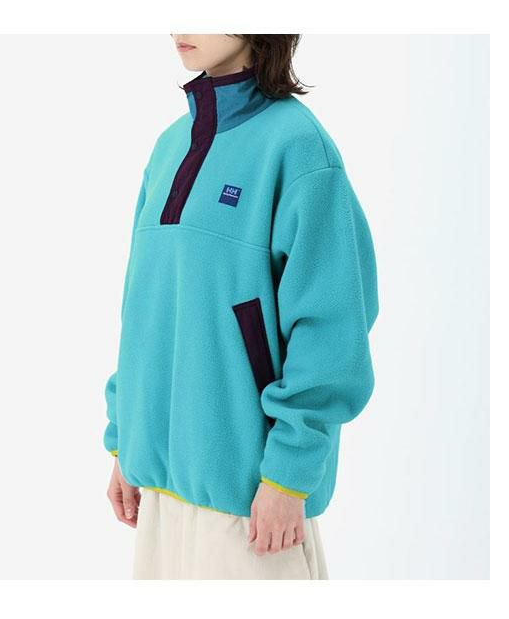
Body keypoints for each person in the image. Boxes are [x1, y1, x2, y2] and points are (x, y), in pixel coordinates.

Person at [104, 34, 378, 580]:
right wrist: (126, 441)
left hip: (250, 506)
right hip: (160, 496)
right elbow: (145, 310)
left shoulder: (299, 149)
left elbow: (332, 332)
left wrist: (288, 476)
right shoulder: (169, 146)